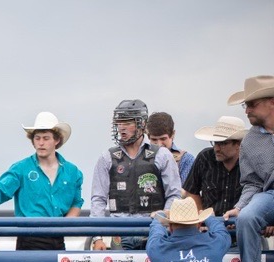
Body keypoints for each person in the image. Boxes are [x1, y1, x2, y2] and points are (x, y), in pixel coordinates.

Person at [0, 111, 83, 262]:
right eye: (37, 138)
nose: (41, 143)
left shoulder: (73, 172)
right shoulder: (21, 169)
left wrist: (67, 224)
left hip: (58, 239)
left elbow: (77, 202)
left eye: (46, 138)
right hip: (30, 238)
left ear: (56, 141)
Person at [89, 99, 181, 250]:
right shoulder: (106, 157)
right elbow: (98, 199)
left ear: (142, 125)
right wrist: (97, 238)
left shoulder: (162, 155)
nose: (122, 128)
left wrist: (163, 220)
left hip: (154, 231)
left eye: (128, 123)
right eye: (119, 123)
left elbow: (174, 195)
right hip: (119, 233)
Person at [224, 75, 274, 262]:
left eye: (252, 104)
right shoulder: (250, 141)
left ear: (271, 102)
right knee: (246, 217)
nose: (247, 111)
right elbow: (252, 182)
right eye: (246, 105)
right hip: (270, 195)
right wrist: (240, 206)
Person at [184, 116, 248, 218]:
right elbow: (191, 192)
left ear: (238, 144)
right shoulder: (205, 158)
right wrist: (203, 218)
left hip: (240, 224)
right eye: (215, 143)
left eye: (223, 143)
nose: (216, 148)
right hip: (209, 227)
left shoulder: (251, 163)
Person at [146, 112, 195, 183]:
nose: (159, 144)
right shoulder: (140, 158)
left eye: (163, 139)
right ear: (148, 136)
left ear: (173, 134)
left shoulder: (185, 160)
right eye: (154, 140)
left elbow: (186, 191)